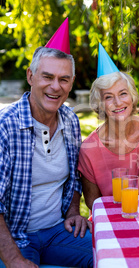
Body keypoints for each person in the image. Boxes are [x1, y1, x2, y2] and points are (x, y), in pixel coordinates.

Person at [0, 18, 92, 268]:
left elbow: (74, 177)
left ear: (71, 83)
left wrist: (74, 211)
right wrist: (14, 260)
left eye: (64, 79)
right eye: (47, 76)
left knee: (111, 257)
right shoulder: (5, 126)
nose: (55, 86)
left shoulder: (70, 119)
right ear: (30, 76)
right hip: (14, 238)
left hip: (57, 231)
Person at [78, 44, 139, 210]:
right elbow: (94, 205)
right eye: (108, 97)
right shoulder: (89, 150)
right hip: (113, 219)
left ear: (132, 97)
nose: (118, 103)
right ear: (100, 105)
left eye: (123, 93)